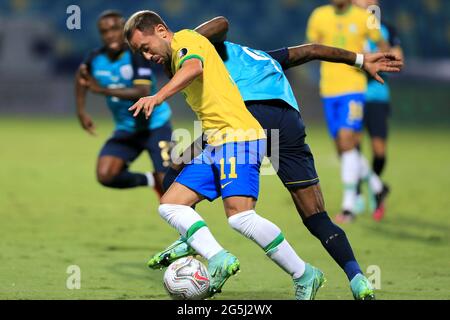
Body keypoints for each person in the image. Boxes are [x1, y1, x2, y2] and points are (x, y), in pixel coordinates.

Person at [147, 17, 402, 300]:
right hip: (288, 122)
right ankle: (357, 278)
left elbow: (219, 23)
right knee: (315, 216)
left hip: (247, 117)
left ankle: (192, 241)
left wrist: (188, 38)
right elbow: (312, 49)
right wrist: (360, 59)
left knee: (177, 171)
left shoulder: (204, 49)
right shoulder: (265, 57)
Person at [124, 10, 325, 300]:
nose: (146, 56)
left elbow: (194, 67)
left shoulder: (186, 41)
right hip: (218, 142)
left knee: (240, 218)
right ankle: (216, 256)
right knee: (170, 205)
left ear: (161, 31)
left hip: (239, 137)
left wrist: (157, 96)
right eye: (139, 52)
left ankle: (304, 274)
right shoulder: (177, 55)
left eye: (146, 47)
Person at [306, 0, 390, 223]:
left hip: (353, 88)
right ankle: (377, 186)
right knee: (343, 149)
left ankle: (348, 207)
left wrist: (376, 58)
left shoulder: (365, 17)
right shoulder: (319, 15)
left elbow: (383, 45)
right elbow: (311, 46)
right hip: (328, 89)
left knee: (346, 141)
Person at [75, 10, 172, 196]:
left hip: (156, 125)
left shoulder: (137, 55)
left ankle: (165, 182)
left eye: (114, 29)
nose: (110, 34)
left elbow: (142, 92)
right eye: (104, 31)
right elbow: (80, 77)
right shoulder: (95, 58)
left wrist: (102, 90)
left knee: (170, 187)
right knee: (106, 175)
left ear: (124, 30)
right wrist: (81, 111)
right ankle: (151, 180)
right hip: (127, 129)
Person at [353, 0, 404, 220]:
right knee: (351, 147)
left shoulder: (386, 29)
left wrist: (370, 56)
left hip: (377, 97)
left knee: (379, 151)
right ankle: (355, 195)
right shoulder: (348, 27)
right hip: (351, 94)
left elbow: (398, 60)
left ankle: (374, 186)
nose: (365, 3)